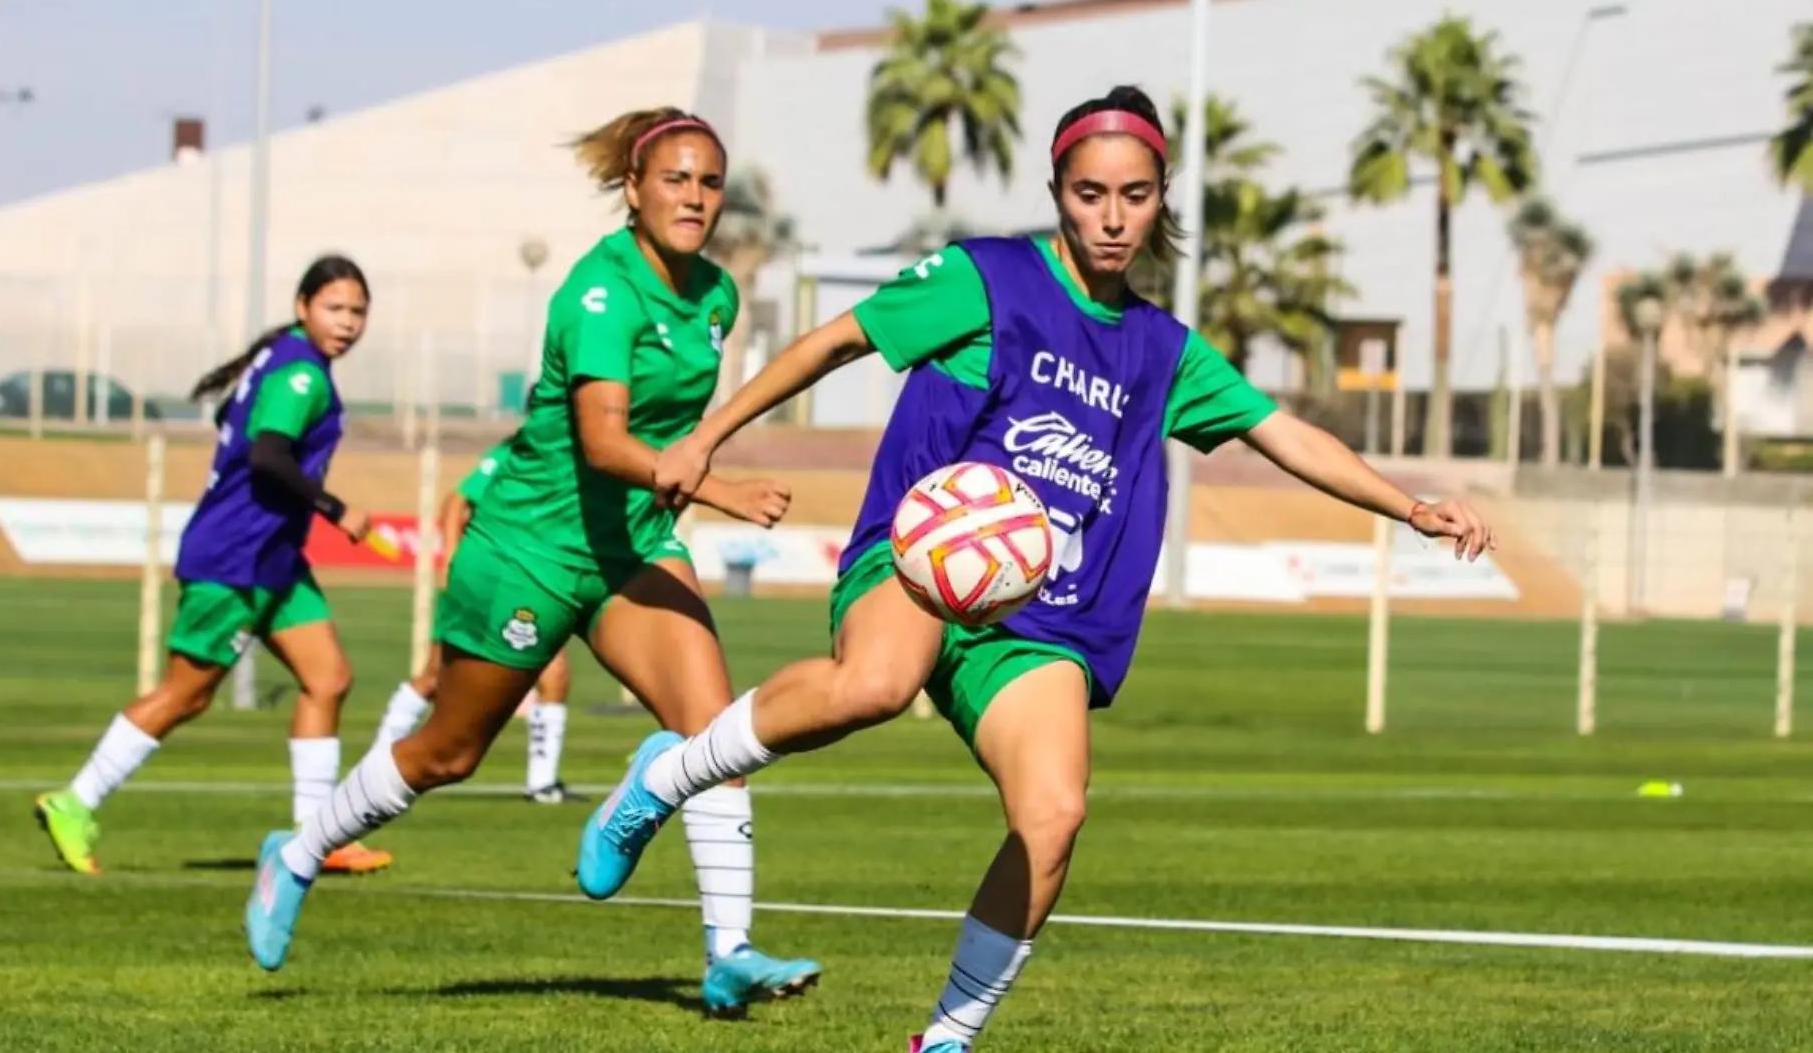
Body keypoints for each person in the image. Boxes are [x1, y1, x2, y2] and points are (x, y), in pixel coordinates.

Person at [575, 86, 1499, 1052]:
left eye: (1134, 195)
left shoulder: (1162, 351)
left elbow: (1285, 434)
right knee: (879, 684)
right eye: (1089, 192)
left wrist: (1411, 506)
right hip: (919, 560)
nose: (1111, 216)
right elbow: (834, 340)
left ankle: (947, 1040)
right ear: (1057, 188)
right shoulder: (986, 278)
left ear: (1160, 198)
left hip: (1038, 616)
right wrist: (706, 440)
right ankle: (670, 773)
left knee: (1053, 818)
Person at [244, 107, 822, 1016]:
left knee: (716, 737)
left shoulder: (715, 295)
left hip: (631, 546)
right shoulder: (599, 293)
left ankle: (729, 952)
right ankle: (300, 853)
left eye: (709, 182)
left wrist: (688, 488)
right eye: (675, 178)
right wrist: (721, 489)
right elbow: (603, 443)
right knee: (448, 752)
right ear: (633, 190)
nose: (695, 197)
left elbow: (660, 439)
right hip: (529, 548)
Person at [34, 255, 395, 878]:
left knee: (328, 678)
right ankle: (74, 801)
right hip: (236, 558)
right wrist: (338, 509)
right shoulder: (301, 375)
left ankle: (315, 834)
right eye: (335, 309)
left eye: (358, 311)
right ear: (303, 306)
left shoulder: (281, 357)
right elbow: (267, 458)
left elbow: (234, 423)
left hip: (273, 558)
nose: (348, 322)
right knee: (186, 693)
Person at [373, 437, 578, 804]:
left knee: (556, 674)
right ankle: (378, 761)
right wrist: (453, 561)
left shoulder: (574, 460)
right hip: (487, 581)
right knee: (434, 676)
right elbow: (457, 501)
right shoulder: (516, 452)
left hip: (533, 583)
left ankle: (542, 784)